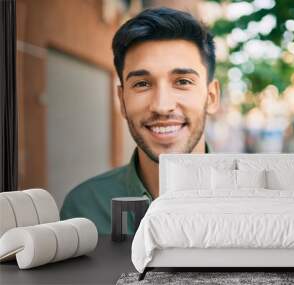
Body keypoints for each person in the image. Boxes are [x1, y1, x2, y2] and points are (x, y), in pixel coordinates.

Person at [60, 7, 220, 235]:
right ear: (122, 100)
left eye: (183, 81)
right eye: (142, 84)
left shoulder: (255, 205)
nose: (162, 106)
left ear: (211, 97)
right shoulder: (84, 210)